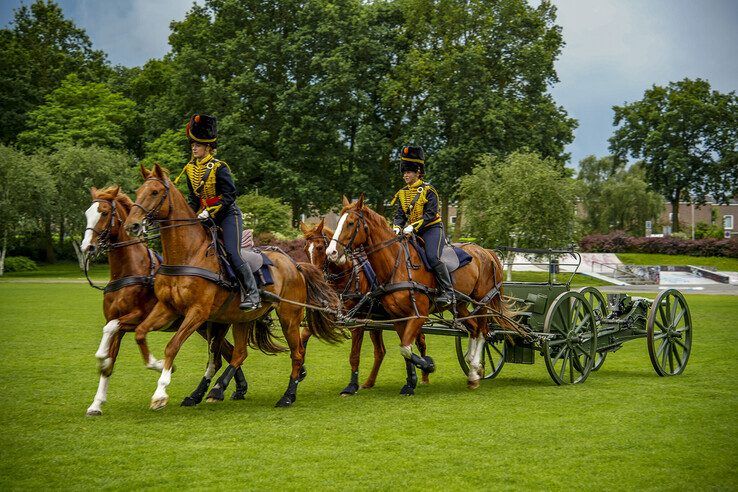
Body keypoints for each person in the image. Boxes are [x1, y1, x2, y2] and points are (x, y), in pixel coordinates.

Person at [176, 113, 260, 310]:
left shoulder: (219, 167)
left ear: (208, 147)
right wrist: (190, 217)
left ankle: (253, 294)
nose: (194, 148)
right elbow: (194, 199)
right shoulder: (189, 169)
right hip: (205, 217)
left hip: (228, 215)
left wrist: (211, 213)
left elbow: (230, 194)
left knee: (232, 253)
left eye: (197, 145)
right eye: (193, 145)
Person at [390, 145, 454, 305]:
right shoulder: (402, 193)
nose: (405, 175)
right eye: (404, 172)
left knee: (432, 257)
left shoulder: (428, 190)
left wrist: (413, 227)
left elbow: (430, 214)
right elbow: (400, 215)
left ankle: (448, 291)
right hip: (411, 232)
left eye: (409, 171)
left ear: (417, 172)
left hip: (432, 229)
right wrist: (397, 226)